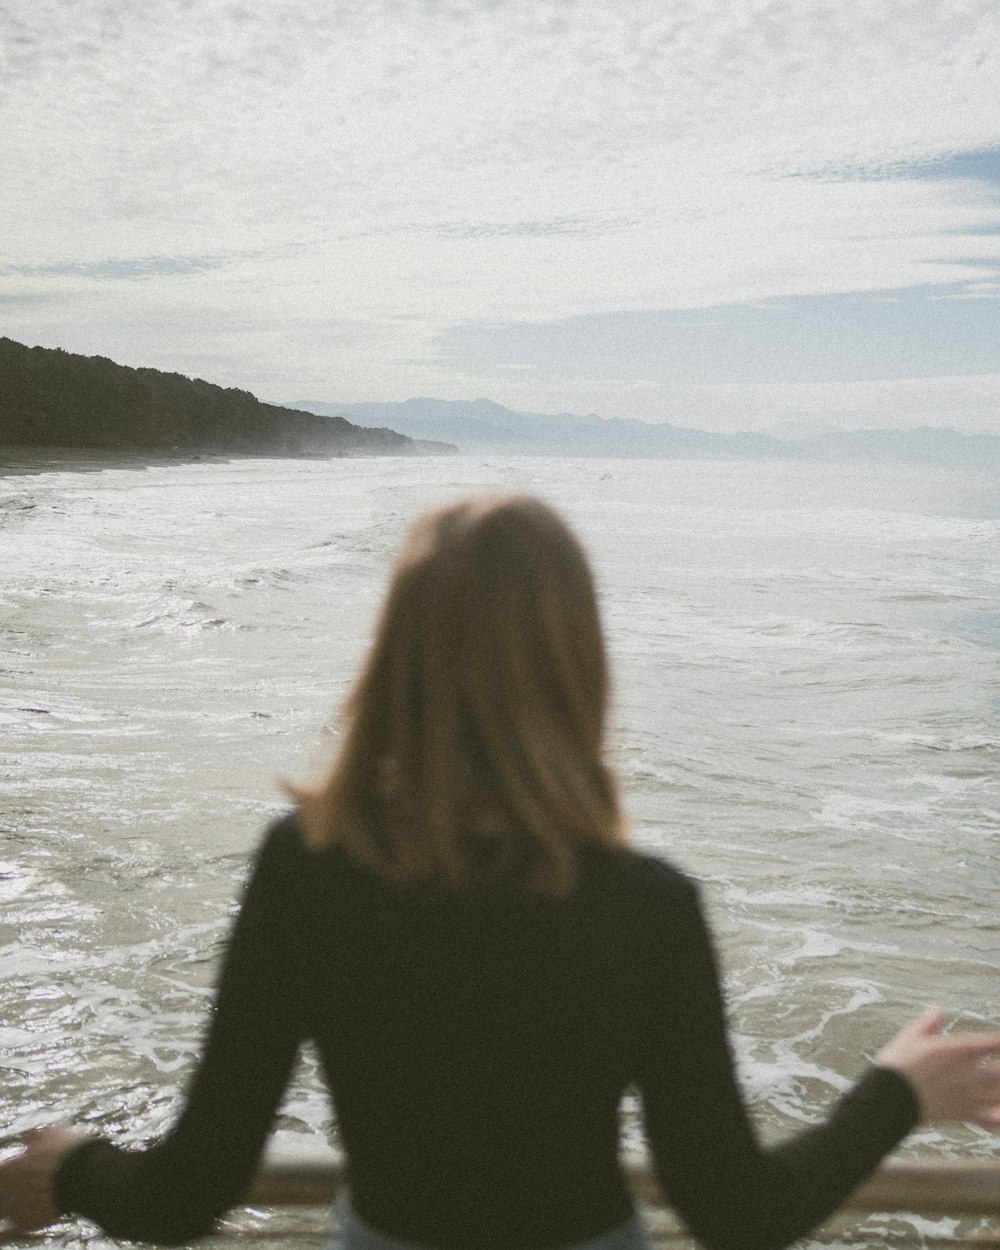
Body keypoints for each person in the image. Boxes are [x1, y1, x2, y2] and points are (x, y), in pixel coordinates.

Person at [1, 494, 998, 1250]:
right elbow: (736, 1210)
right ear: (580, 664)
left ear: (396, 654)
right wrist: (896, 1092)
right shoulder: (643, 901)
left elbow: (187, 1191)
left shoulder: (304, 866)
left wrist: (71, 1167)